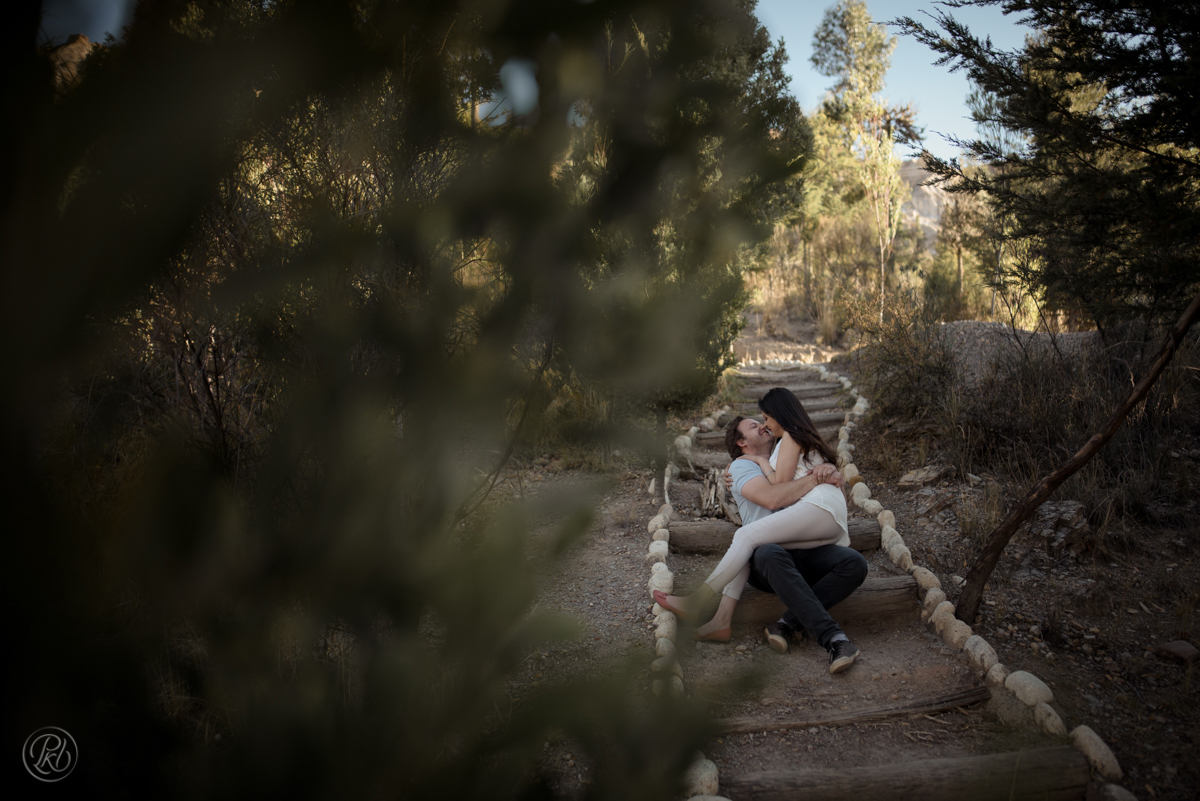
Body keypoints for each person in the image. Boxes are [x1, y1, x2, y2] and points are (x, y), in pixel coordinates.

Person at [654, 387, 867, 673]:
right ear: (742, 443)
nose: (764, 425)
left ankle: (727, 610)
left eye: (765, 419)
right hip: (783, 547)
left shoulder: (786, 443)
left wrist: (821, 469)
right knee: (755, 543)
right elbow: (773, 496)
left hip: (809, 526)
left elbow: (781, 485)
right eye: (757, 424)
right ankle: (814, 632)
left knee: (750, 538)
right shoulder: (743, 465)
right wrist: (809, 474)